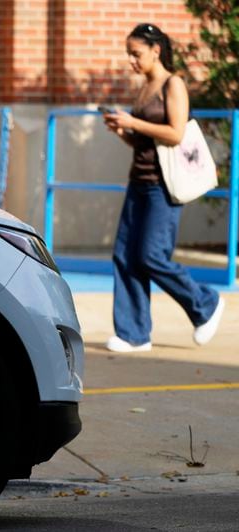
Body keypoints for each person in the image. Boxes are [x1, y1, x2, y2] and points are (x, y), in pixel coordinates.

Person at [101, 22, 224, 353]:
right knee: (125, 256)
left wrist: (132, 121)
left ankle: (206, 303)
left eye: (136, 53)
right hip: (138, 181)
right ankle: (133, 334)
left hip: (164, 186)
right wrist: (121, 130)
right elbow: (145, 141)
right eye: (128, 54)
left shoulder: (174, 84)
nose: (131, 61)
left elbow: (175, 133)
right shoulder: (144, 88)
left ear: (156, 50)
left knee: (151, 256)